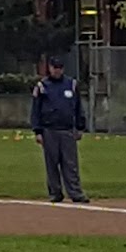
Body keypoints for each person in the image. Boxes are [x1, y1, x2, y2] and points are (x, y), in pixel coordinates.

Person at [31, 55, 90, 204]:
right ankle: (55, 193)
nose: (57, 71)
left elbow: (78, 108)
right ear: (50, 68)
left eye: (59, 68)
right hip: (49, 130)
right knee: (52, 164)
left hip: (67, 130)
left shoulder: (71, 84)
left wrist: (80, 127)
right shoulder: (42, 86)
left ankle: (75, 192)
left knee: (70, 164)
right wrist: (37, 131)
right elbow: (36, 110)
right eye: (54, 68)